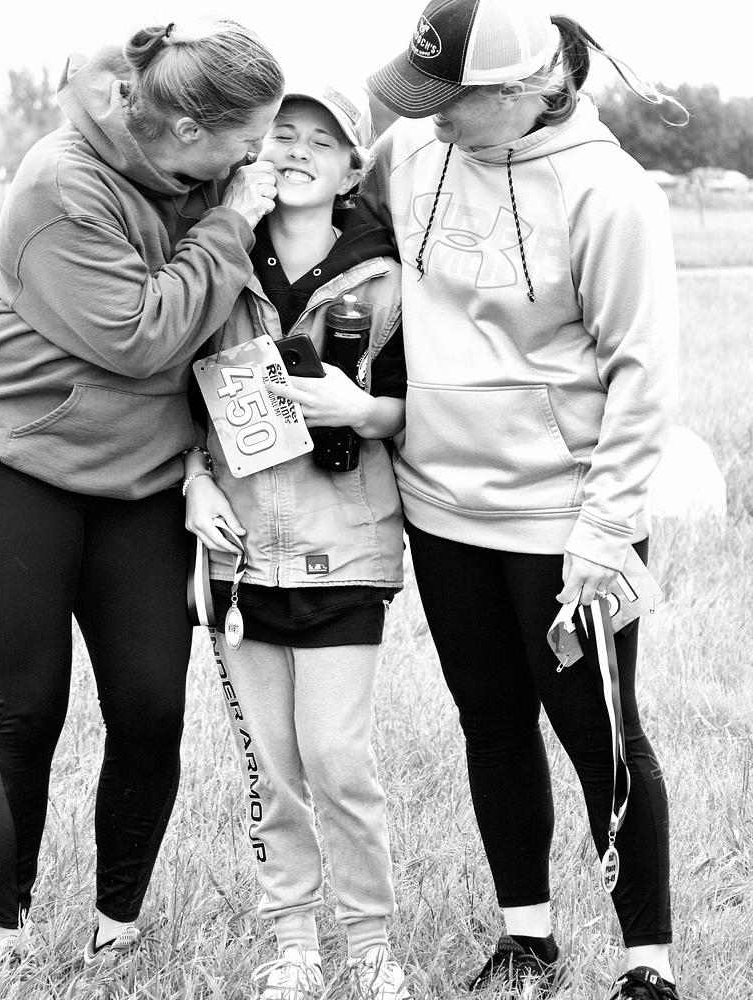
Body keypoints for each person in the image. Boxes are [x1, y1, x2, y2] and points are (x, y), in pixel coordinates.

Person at [0, 19, 284, 967]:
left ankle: (115, 936)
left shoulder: (203, 167)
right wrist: (230, 227)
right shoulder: (61, 185)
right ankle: (3, 942)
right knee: (29, 706)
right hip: (12, 460)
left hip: (143, 475)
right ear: (188, 130)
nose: (257, 159)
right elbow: (139, 337)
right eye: (248, 141)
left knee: (151, 708)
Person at [359, 0, 685, 997]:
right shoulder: (410, 153)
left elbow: (643, 376)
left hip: (564, 522)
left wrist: (605, 533)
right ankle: (525, 939)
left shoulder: (610, 194)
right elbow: (342, 229)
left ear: (525, 88)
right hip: (440, 507)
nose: (430, 114)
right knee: (490, 721)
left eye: (451, 97)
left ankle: (647, 964)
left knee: (600, 735)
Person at [185, 79, 411, 1000]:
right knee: (273, 769)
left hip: (345, 546)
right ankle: (293, 945)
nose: (298, 152)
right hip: (238, 554)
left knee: (335, 758)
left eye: (323, 140)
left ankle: (370, 945)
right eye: (283, 133)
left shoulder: (387, 277)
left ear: (354, 168)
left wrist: (362, 408)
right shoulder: (217, 258)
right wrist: (195, 483)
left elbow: (419, 408)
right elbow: (171, 394)